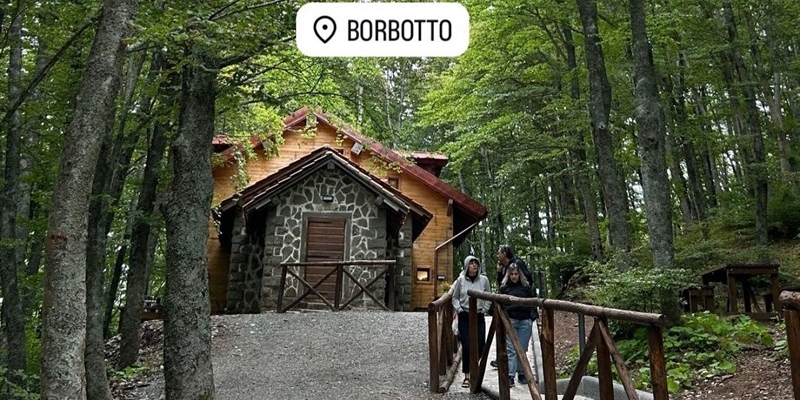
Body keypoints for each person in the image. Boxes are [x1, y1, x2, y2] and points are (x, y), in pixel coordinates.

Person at [451, 255, 492, 388]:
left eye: (476, 263)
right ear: (466, 265)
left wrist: (484, 309)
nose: (474, 265)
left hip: (478, 315)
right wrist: (459, 309)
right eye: (471, 263)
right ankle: (467, 375)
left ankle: (475, 367)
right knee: (467, 345)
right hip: (464, 315)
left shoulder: (484, 280)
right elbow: (455, 297)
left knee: (481, 344)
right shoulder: (461, 280)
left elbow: (489, 296)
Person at [500, 264, 537, 387]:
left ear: (519, 275)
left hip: (525, 320)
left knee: (522, 348)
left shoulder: (527, 288)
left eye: (516, 274)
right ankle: (510, 375)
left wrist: (532, 317)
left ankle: (522, 373)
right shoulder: (504, 289)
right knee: (511, 349)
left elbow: (533, 303)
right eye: (511, 274)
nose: (514, 276)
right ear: (508, 275)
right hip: (511, 320)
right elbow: (500, 305)